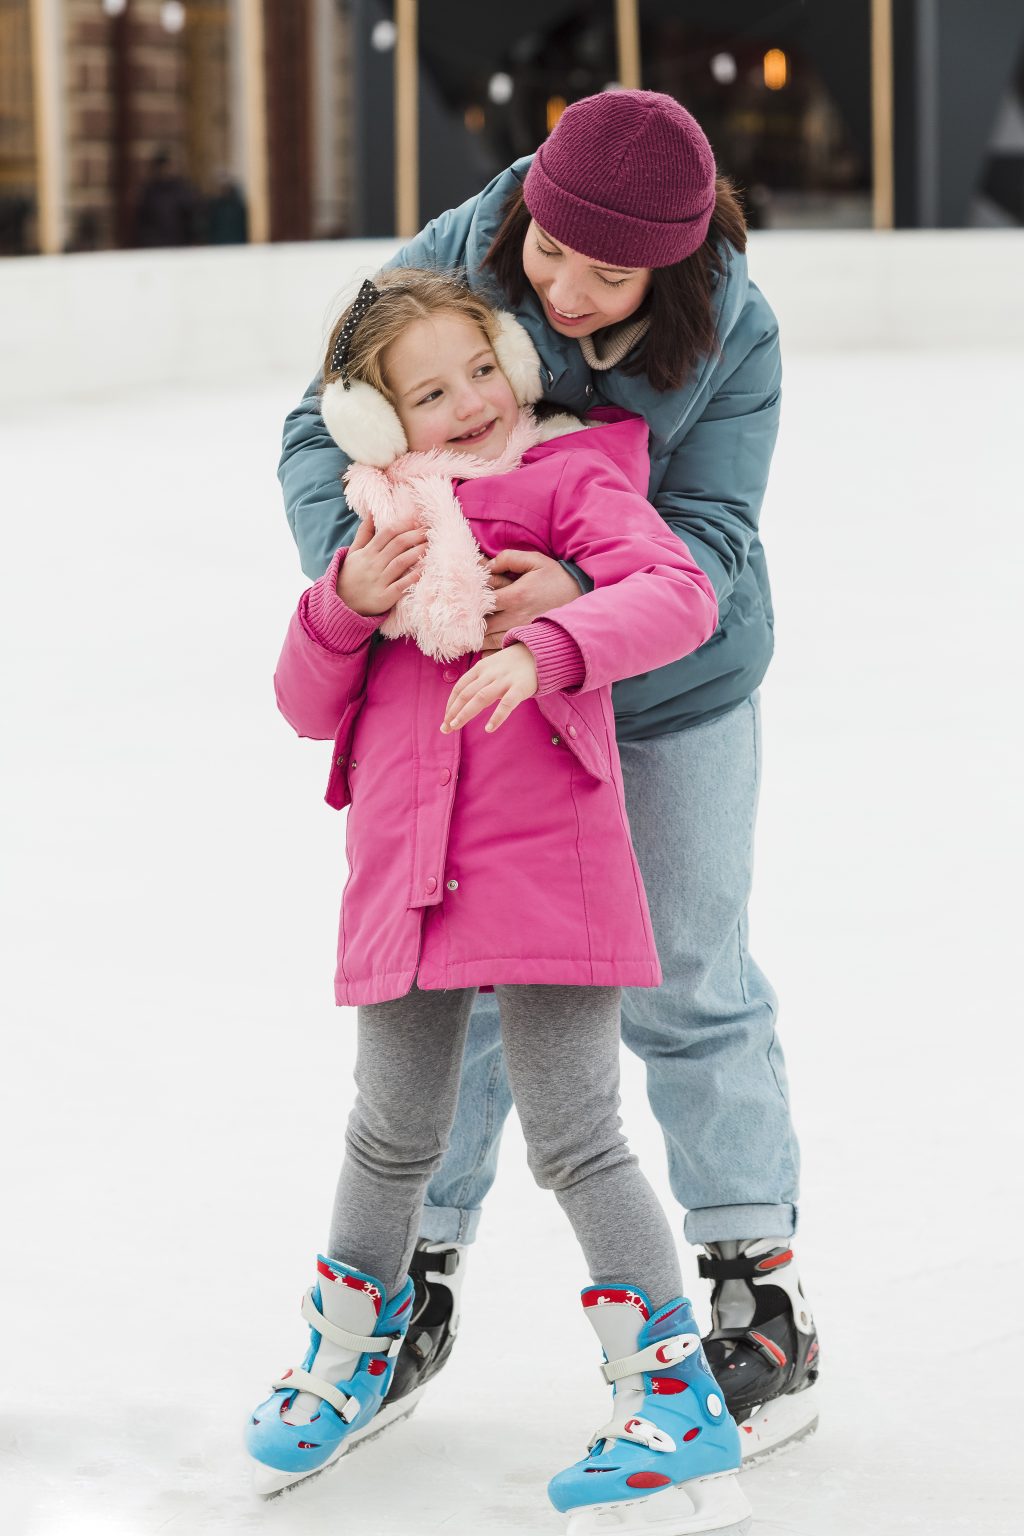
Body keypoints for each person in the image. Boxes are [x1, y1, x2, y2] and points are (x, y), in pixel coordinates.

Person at [278, 89, 819, 1462]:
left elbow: (709, 534)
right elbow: (321, 427)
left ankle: (754, 1292)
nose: (568, 293)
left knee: (688, 976)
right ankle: (411, 1283)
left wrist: (576, 589)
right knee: (455, 986)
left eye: (610, 276)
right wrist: (381, 583)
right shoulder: (456, 257)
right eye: (552, 255)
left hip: (670, 692)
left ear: (672, 267)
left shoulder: (733, 330)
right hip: (484, 692)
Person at [246, 268, 754, 1536]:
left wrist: (554, 637)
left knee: (574, 1133)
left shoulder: (572, 478)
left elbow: (680, 592)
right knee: (389, 1130)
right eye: (429, 392)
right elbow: (304, 706)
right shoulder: (375, 531)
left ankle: (671, 1390)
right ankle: (348, 1354)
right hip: (405, 871)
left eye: (481, 368)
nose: (470, 402)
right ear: (376, 422)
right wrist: (344, 606)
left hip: (546, 862)